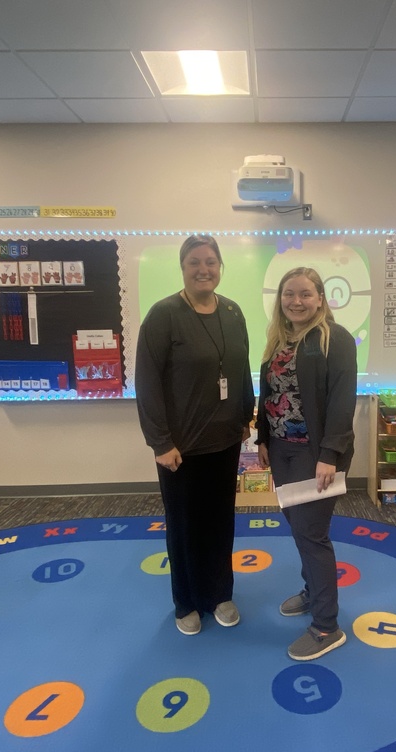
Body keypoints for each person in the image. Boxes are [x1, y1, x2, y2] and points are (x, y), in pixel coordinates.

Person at [135, 235, 254, 636]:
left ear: (221, 267)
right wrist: (160, 442)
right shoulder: (163, 315)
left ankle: (219, 593)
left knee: (220, 523)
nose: (204, 269)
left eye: (211, 262)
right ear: (182, 268)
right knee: (185, 526)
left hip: (225, 441)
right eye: (194, 263)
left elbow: (241, 370)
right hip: (180, 449)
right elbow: (147, 382)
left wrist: (246, 414)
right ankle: (186, 600)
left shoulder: (234, 312)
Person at [256, 267, 357, 661]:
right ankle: (312, 591)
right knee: (299, 530)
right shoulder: (279, 341)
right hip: (282, 450)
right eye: (288, 294)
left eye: (305, 294)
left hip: (316, 455)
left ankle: (326, 626)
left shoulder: (335, 339)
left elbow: (341, 401)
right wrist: (263, 438)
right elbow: (268, 394)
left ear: (320, 298)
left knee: (312, 535)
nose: (296, 301)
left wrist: (329, 455)